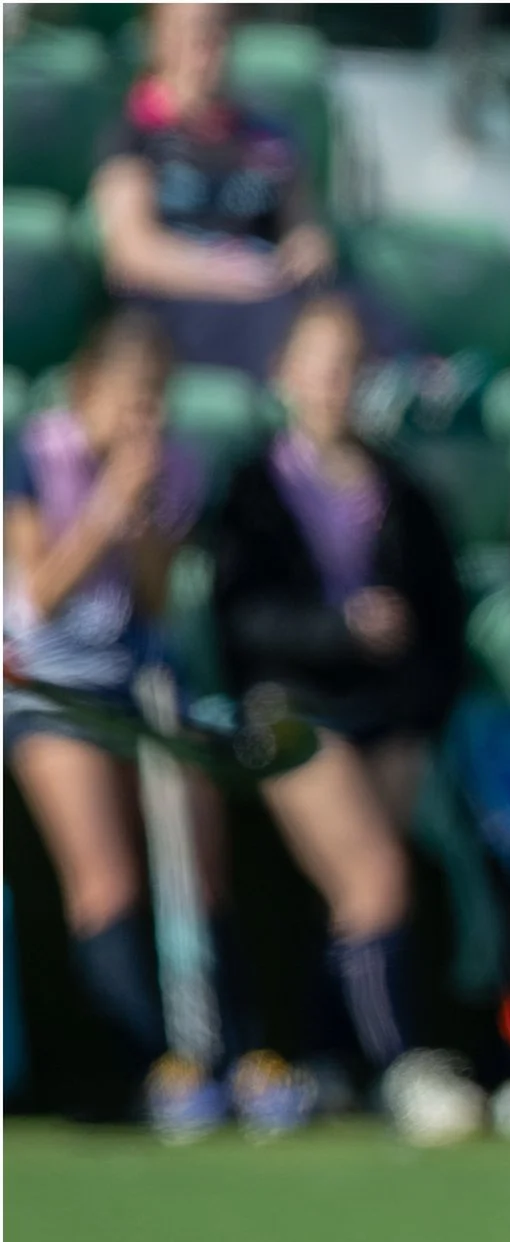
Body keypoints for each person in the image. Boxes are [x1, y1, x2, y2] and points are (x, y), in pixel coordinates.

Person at [1, 310, 291, 1138]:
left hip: (141, 683)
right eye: (131, 401)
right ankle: (129, 1066)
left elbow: (154, 603)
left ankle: (231, 1054)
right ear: (89, 390)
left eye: (155, 404)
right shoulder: (32, 453)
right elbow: (40, 597)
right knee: (109, 881)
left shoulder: (173, 468)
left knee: (197, 868)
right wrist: (104, 511)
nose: (144, 421)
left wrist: (148, 529)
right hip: (48, 686)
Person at [209, 294, 479, 1141]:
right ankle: (401, 1063)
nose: (336, 383)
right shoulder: (253, 487)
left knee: (366, 897)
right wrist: (341, 629)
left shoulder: (402, 490)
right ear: (284, 375)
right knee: (374, 882)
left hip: (384, 715)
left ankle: (324, 1061)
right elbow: (241, 619)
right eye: (321, 365)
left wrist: (411, 719)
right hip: (293, 710)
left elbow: (445, 624)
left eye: (350, 366)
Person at [90, 4, 394, 378]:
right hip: (188, 299)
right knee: (293, 327)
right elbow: (133, 253)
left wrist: (305, 247)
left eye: (217, 30)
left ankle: (425, 386)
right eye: (190, 30)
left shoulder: (268, 132)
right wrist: (226, 274)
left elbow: (305, 225)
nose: (205, 45)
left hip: (271, 283)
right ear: (157, 39)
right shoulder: (133, 133)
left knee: (354, 305)